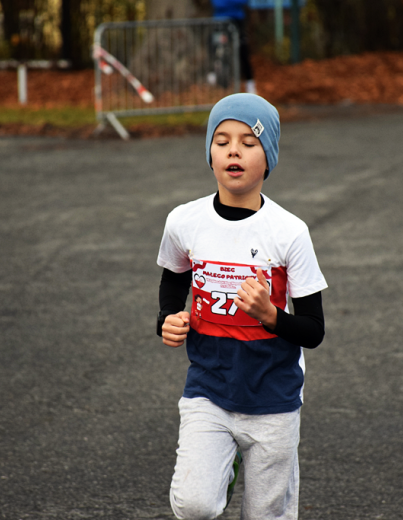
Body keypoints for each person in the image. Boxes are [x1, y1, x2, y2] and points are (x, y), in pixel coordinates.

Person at [155, 93, 327, 519]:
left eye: (249, 142)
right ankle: (222, 469)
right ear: (210, 155)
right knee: (194, 506)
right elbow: (174, 278)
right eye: (222, 140)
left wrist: (271, 315)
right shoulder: (185, 222)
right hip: (209, 386)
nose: (234, 150)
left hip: (274, 394)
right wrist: (168, 317)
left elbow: (313, 328)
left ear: (267, 159)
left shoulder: (289, 233)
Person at [211, 0, 256, 94]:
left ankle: (250, 82)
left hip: (237, 21)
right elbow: (216, 3)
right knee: (216, 48)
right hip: (220, 22)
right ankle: (214, 74)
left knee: (243, 50)